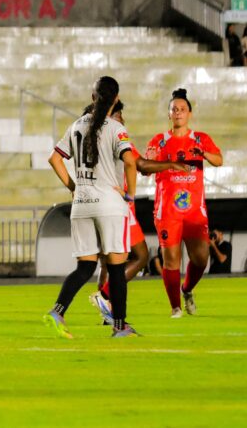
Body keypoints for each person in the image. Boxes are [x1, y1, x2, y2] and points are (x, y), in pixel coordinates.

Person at [44, 76, 139, 338]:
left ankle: (58, 310)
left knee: (85, 267)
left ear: (92, 96)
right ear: (116, 99)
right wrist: (130, 195)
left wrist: (73, 187)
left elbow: (54, 159)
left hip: (82, 205)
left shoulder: (76, 125)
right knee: (117, 268)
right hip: (109, 205)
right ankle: (120, 326)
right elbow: (130, 162)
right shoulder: (115, 128)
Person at [86, 101, 187, 324]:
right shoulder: (118, 137)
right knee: (140, 256)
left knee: (108, 260)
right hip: (119, 206)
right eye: (120, 115)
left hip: (95, 204)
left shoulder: (94, 139)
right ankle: (104, 296)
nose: (123, 120)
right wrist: (170, 164)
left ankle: (107, 313)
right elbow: (140, 164)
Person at [145, 88, 223, 318]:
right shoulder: (159, 141)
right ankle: (175, 307)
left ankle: (187, 290)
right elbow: (145, 168)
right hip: (168, 210)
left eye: (182, 109)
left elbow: (219, 160)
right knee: (171, 261)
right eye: (174, 109)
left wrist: (204, 154)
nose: (178, 112)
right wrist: (158, 161)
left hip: (194, 212)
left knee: (201, 259)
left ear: (189, 113)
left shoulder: (201, 139)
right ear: (169, 114)